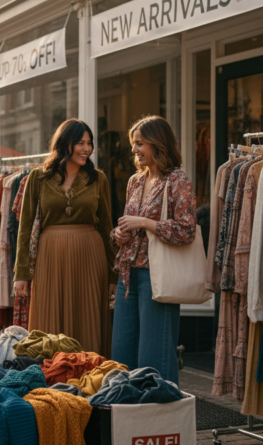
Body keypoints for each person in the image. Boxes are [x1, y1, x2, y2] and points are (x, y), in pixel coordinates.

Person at [14, 119, 117, 356]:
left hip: (90, 257)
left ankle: (89, 372)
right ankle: (52, 374)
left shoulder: (98, 178)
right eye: (80, 143)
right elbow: (25, 228)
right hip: (50, 257)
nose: (86, 149)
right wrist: (21, 274)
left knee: (89, 316)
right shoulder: (37, 178)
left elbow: (106, 228)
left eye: (89, 143)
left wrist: (114, 274)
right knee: (49, 319)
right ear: (64, 143)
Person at [110, 116, 197, 384]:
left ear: (157, 144)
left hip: (157, 276)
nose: (134, 150)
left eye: (139, 144)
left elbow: (186, 230)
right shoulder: (135, 181)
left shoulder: (177, 180)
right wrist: (119, 235)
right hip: (127, 277)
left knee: (154, 358)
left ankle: (162, 417)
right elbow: (126, 225)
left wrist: (145, 223)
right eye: (133, 144)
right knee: (121, 355)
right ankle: (129, 419)